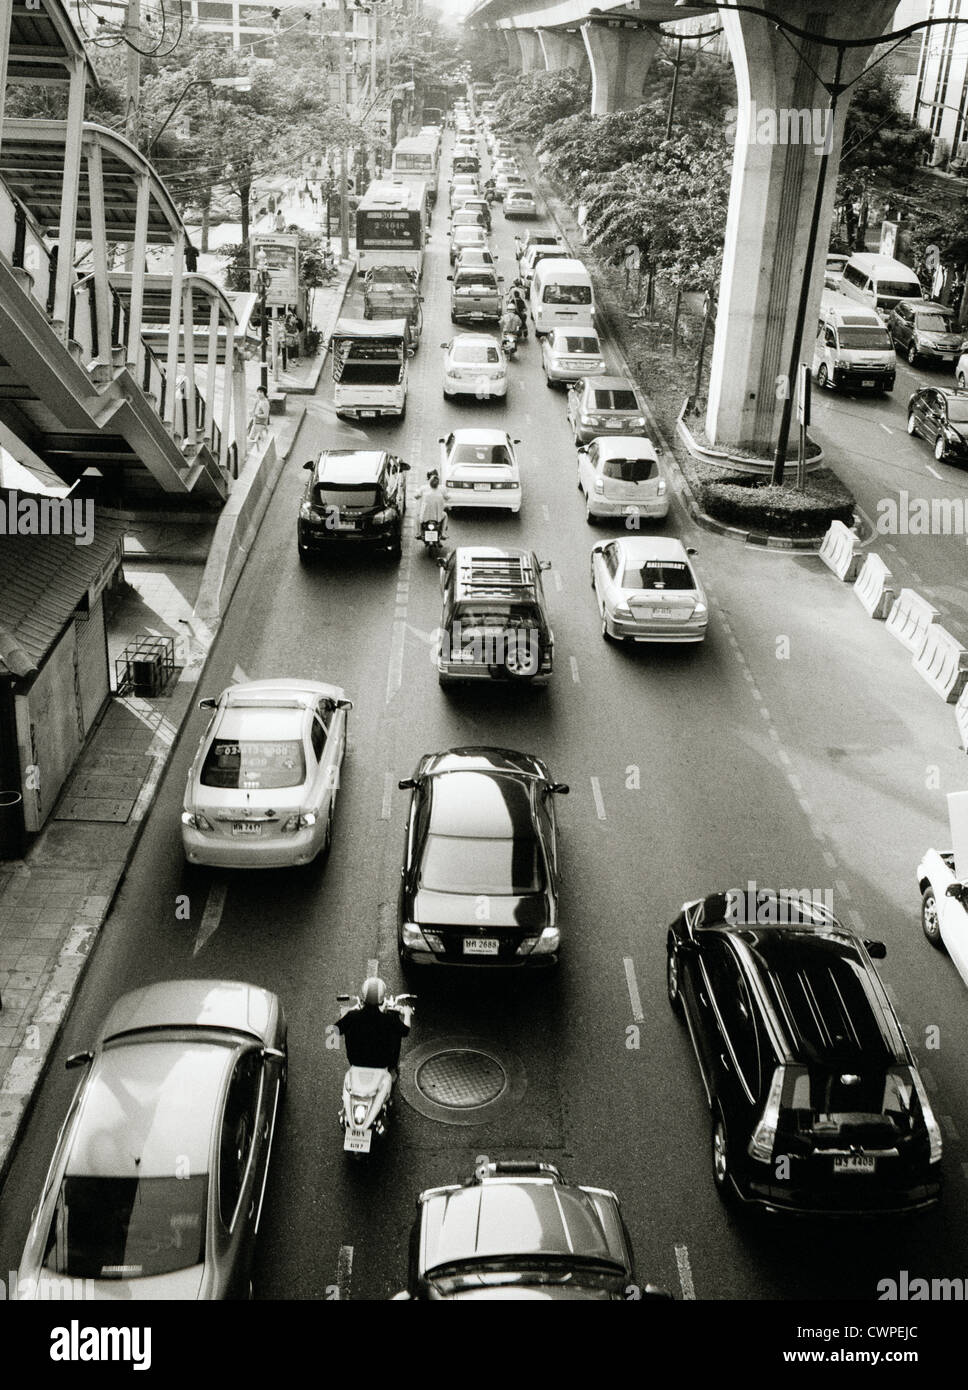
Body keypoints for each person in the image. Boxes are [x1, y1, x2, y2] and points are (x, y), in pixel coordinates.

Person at [336, 978, 411, 1072]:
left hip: (356, 1062)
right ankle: (393, 1068)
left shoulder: (352, 1016)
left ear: (363, 996)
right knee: (396, 1033)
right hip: (383, 1063)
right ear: (382, 998)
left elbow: (334, 1031)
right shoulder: (390, 1018)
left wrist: (343, 1016)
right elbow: (405, 1031)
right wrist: (407, 1013)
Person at [417, 470, 447, 538]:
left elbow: (416, 496)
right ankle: (443, 533)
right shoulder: (442, 488)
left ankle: (418, 533)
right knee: (445, 515)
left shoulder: (423, 488)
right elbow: (447, 497)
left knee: (418, 515)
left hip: (425, 516)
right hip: (438, 516)